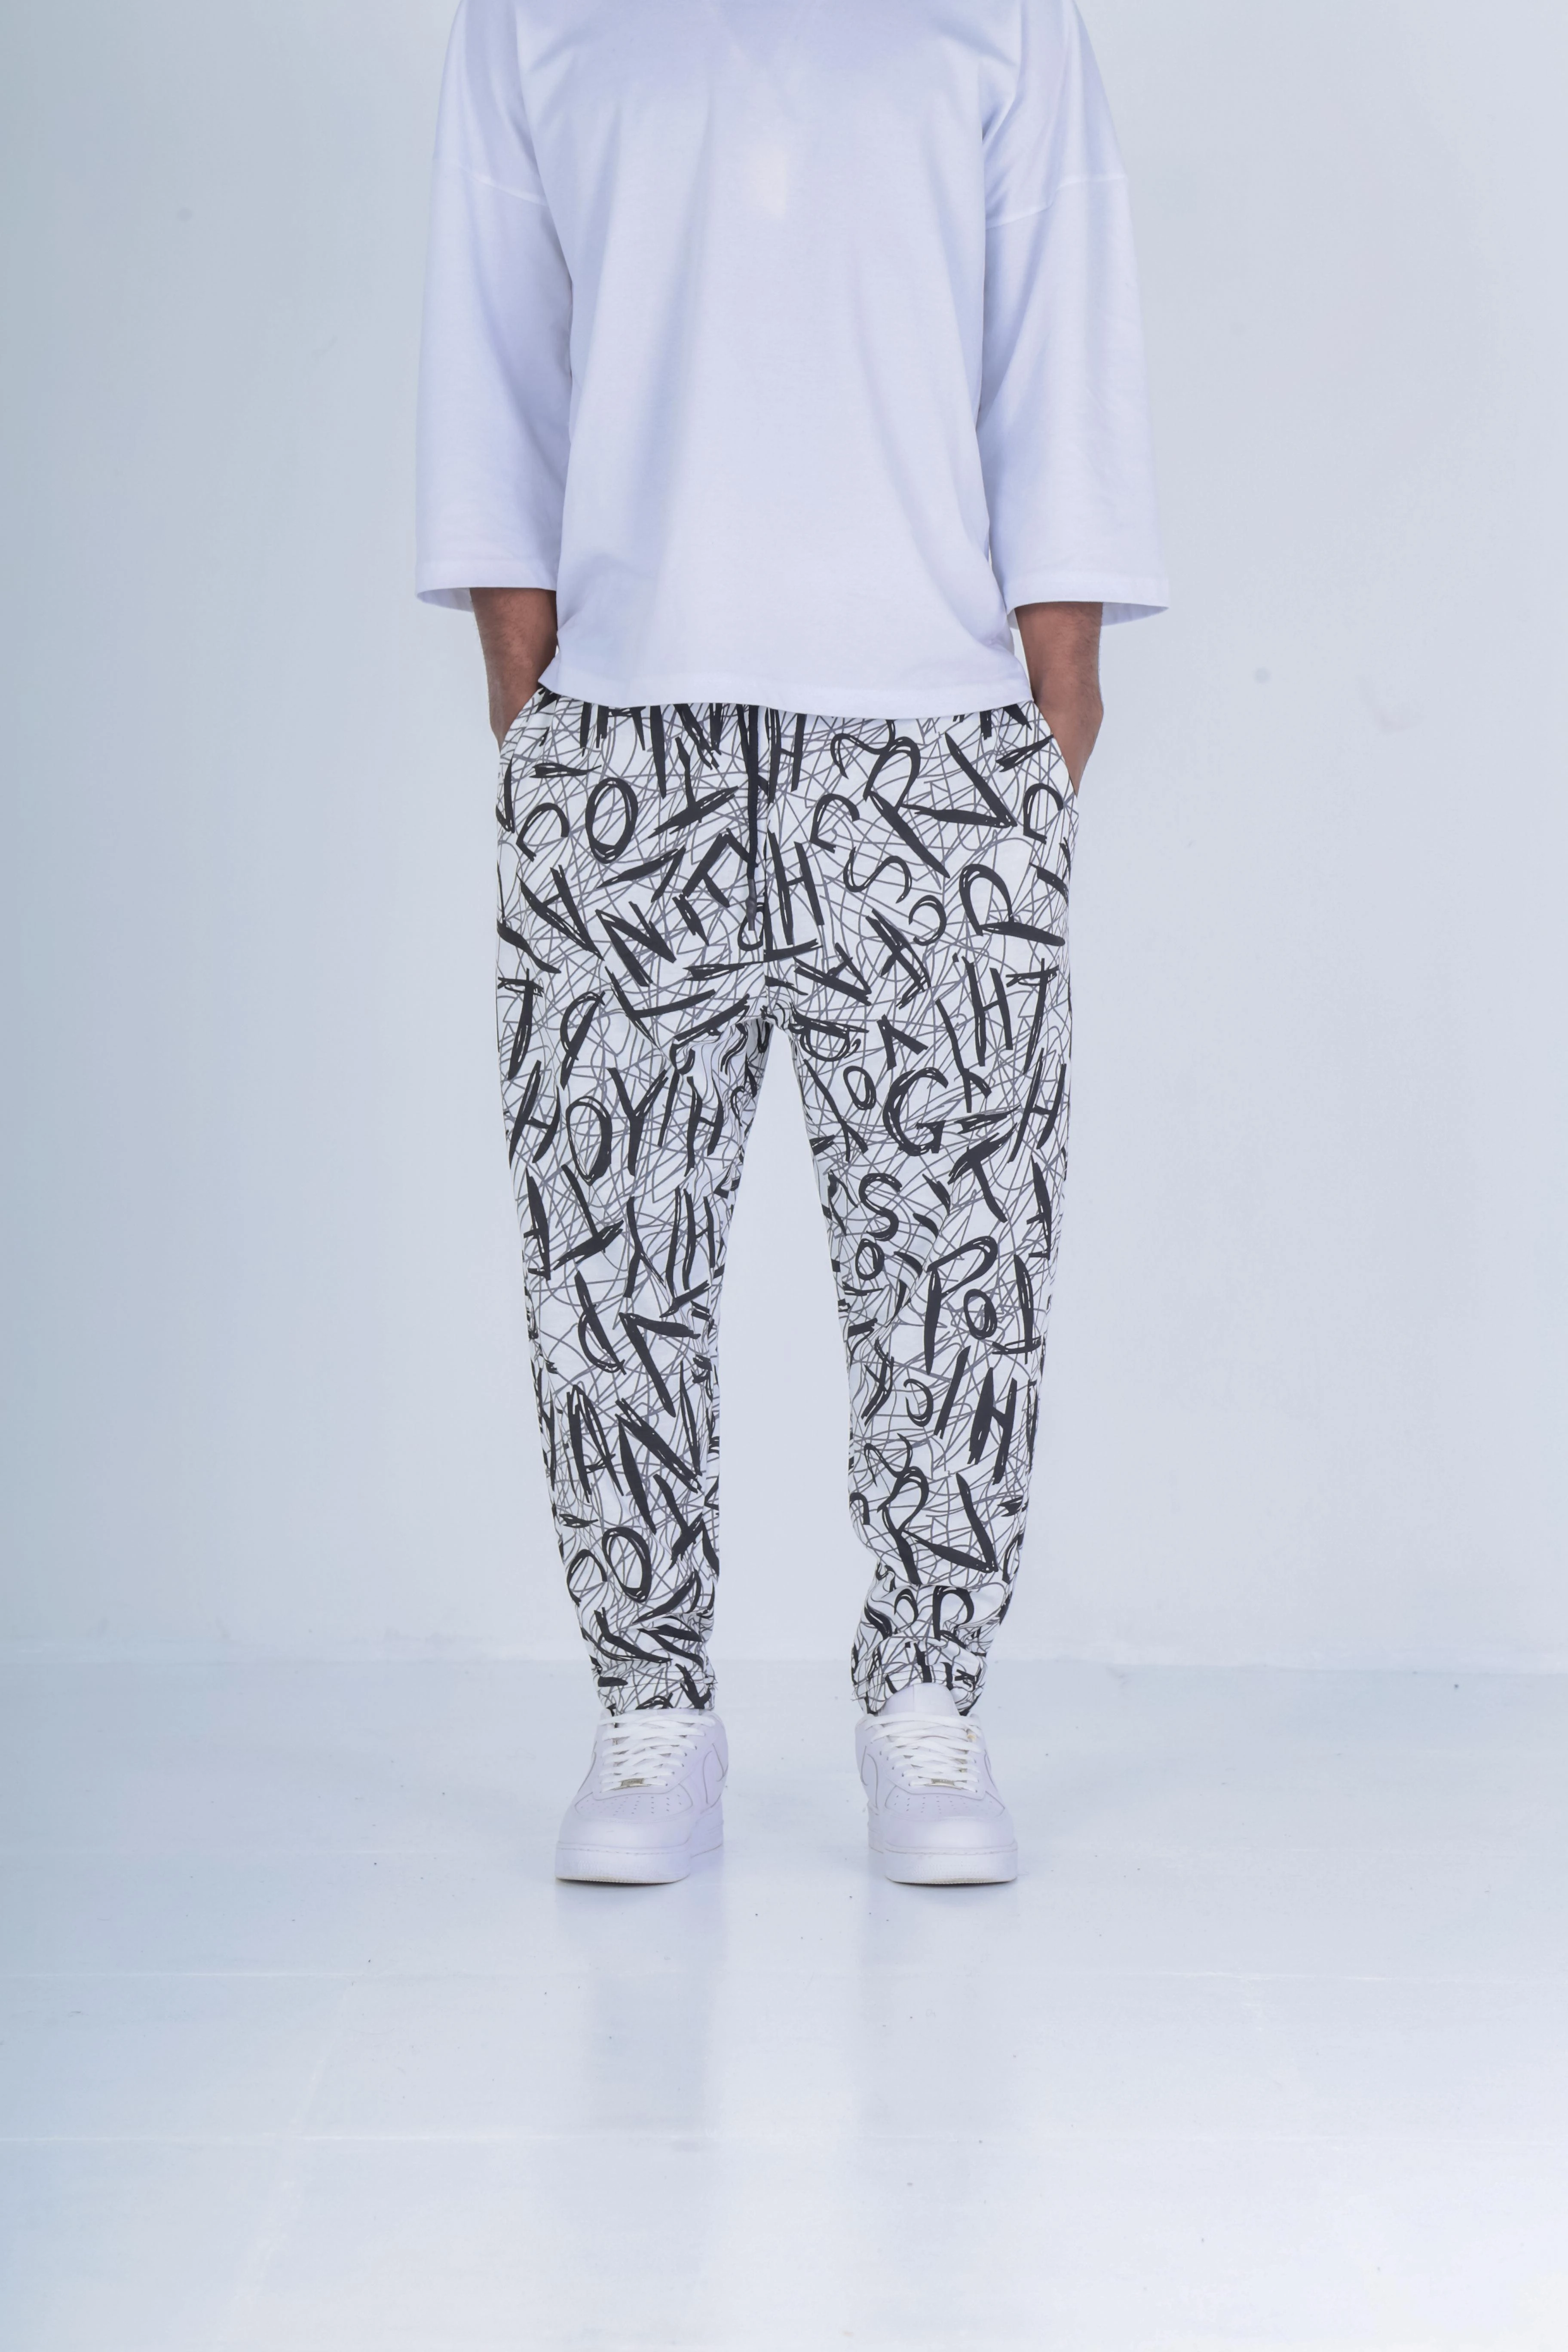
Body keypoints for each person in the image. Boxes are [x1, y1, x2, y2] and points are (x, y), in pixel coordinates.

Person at [416, 0, 1165, 1886]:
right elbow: (492, 341)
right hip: (627, 732)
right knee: (609, 1254)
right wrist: (536, 694)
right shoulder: (533, 17)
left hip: (933, 735)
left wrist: (1052, 701)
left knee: (960, 1256)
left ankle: (929, 1701)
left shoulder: (1004, 16)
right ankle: (650, 1713)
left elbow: (1057, 327)